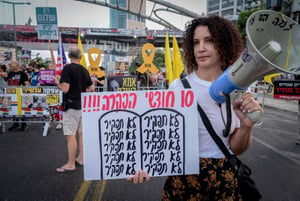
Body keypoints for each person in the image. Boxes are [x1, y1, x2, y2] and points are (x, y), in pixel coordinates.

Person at [127, 16, 263, 200]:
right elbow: (159, 138)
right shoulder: (177, 88)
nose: (201, 48)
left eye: (209, 41)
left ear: (224, 43)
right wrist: (142, 164)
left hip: (223, 181)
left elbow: (236, 149)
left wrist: (247, 125)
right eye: (196, 42)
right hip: (183, 180)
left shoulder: (239, 88)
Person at [53, 47, 94, 173]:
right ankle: (81, 158)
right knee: (81, 134)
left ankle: (71, 164)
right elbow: (91, 88)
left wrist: (57, 83)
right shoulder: (84, 70)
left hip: (71, 106)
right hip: (83, 106)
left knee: (70, 135)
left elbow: (65, 89)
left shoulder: (68, 68)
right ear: (80, 57)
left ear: (69, 56)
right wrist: (81, 90)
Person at [7, 60, 30, 131]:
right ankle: (15, 124)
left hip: (20, 94)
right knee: (13, 108)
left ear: (16, 65)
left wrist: (26, 92)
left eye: (11, 64)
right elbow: (8, 82)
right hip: (11, 94)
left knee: (21, 108)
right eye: (10, 65)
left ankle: (23, 124)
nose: (10, 66)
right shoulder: (10, 73)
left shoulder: (22, 74)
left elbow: (27, 83)